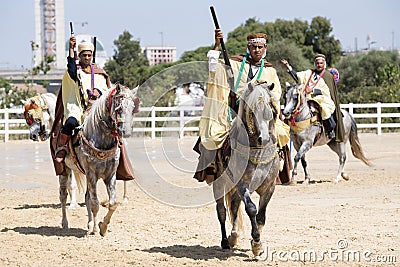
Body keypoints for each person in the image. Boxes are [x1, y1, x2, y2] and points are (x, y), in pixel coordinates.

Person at [193, 29, 291, 183]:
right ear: (248, 48)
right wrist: (217, 45)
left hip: (261, 114)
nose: (257, 50)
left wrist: (266, 104)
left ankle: (278, 165)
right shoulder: (235, 63)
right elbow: (214, 69)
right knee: (213, 133)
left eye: (260, 47)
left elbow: (276, 93)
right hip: (234, 112)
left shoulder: (270, 70)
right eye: (254, 47)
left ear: (265, 48)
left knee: (280, 133)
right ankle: (212, 165)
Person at [50, 35, 134, 180]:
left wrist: (99, 93)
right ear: (80, 56)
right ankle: (62, 149)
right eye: (84, 55)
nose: (87, 58)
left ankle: (118, 155)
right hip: (78, 107)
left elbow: (107, 91)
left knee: (113, 127)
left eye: (89, 55)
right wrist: (71, 48)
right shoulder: (75, 72)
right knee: (70, 122)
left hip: (97, 110)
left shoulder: (100, 73)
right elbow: (70, 67)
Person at [280, 54, 344, 141]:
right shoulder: (308, 73)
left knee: (325, 109)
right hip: (306, 97)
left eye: (321, 63)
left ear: (324, 64)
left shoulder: (327, 75)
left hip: (321, 98)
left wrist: (313, 90)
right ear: (315, 64)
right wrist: (288, 66)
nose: (319, 65)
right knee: (293, 104)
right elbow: (297, 76)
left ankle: (329, 129)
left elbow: (326, 90)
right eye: (317, 63)